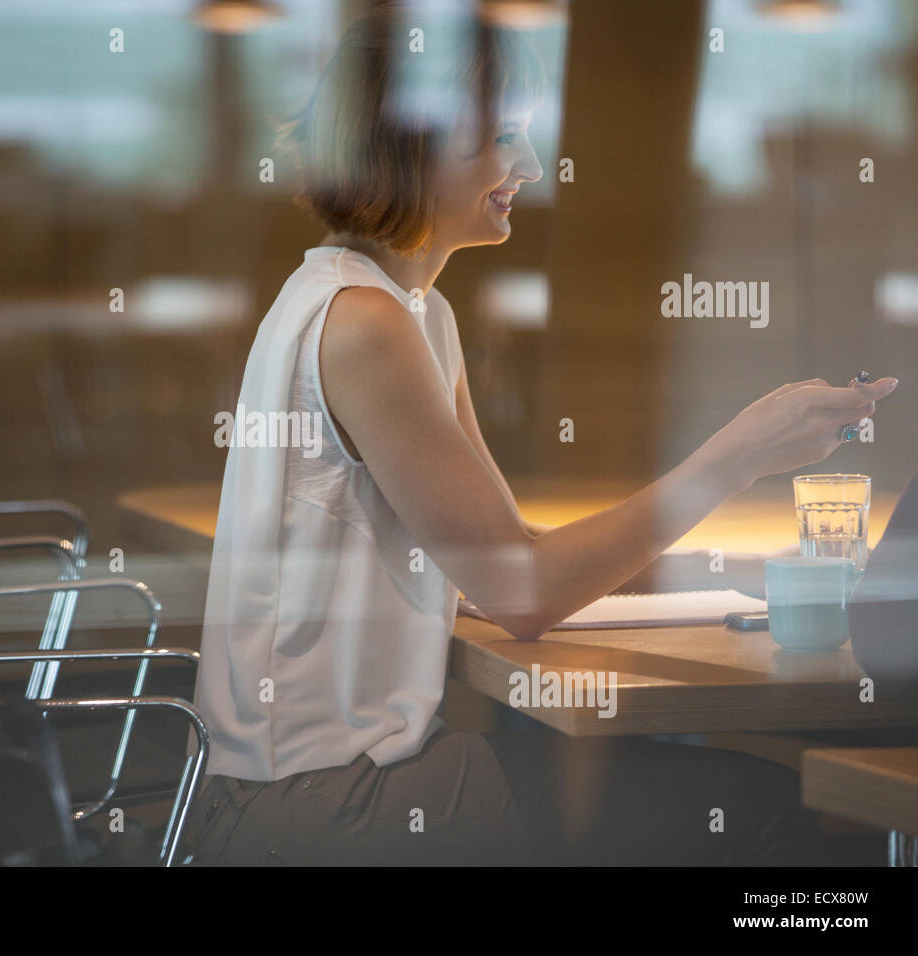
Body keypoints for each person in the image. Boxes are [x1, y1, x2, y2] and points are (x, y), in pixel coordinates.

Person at [187, 0, 897, 866]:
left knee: (708, 792)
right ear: (410, 144)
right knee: (756, 805)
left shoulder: (413, 312)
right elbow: (521, 593)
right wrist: (741, 453)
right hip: (317, 807)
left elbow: (503, 561)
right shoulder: (364, 324)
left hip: (328, 786)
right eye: (500, 137)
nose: (526, 161)